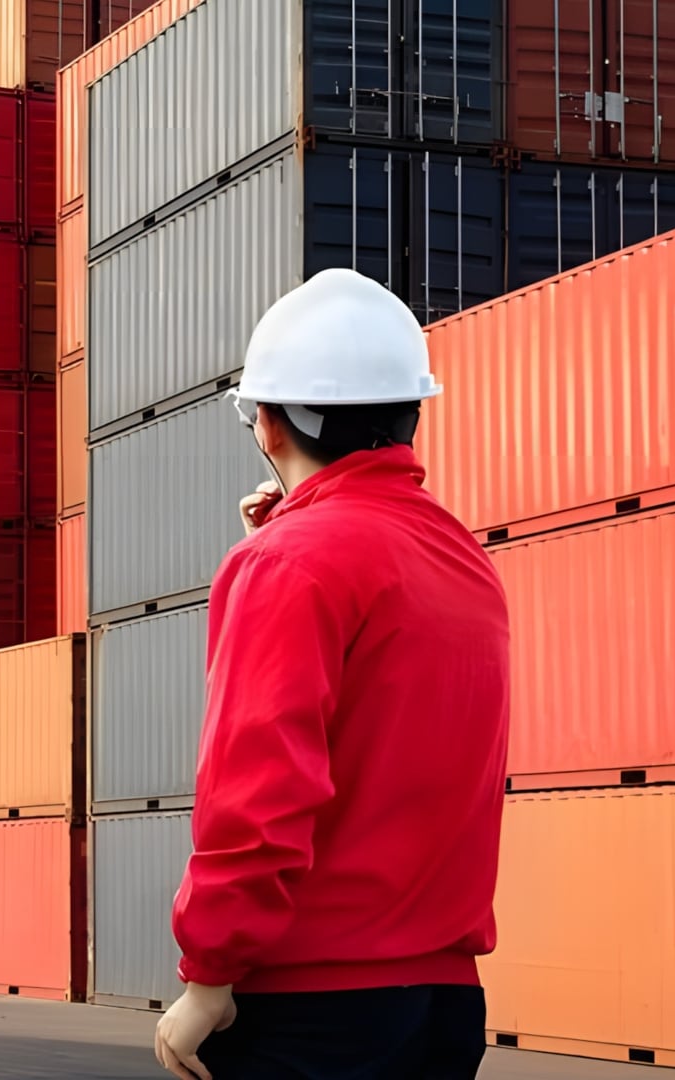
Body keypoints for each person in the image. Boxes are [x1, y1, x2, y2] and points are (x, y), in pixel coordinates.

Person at [152, 269, 511, 1080]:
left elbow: (259, 791)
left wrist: (208, 975)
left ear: (267, 423)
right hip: (442, 1007)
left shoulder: (287, 564)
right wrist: (293, 525)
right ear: (410, 416)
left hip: (309, 1011)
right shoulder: (463, 559)